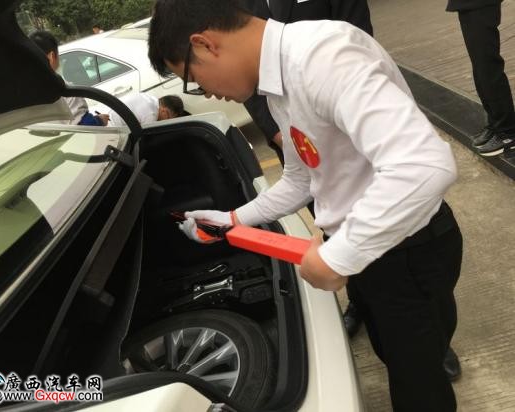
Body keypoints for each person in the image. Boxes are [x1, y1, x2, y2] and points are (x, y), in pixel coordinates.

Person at [148, 1, 464, 410]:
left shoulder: (323, 58)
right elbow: (303, 178)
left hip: (406, 251)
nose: (205, 92)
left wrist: (339, 255)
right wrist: (231, 219)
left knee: (420, 388)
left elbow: (423, 165)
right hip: (370, 252)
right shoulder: (278, 83)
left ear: (204, 44)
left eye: (192, 80)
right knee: (394, 355)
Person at [242, 0, 373, 338]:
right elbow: (247, 79)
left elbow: (358, 37)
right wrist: (279, 130)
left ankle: (424, 333)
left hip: (347, 130)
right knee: (329, 216)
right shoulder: (239, 4)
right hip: (293, 136)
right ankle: (362, 299)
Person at [242, 0, 373, 165]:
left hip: (349, 121)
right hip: (293, 142)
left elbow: (357, 36)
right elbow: (239, 62)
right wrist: (278, 135)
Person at [447, 0, 515, 157]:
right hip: (468, 4)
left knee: (488, 66)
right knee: (480, 67)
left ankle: (508, 131)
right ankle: (496, 123)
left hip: (479, 3)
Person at [29, 30, 109, 126]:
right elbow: (85, 126)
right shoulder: (66, 91)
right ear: (52, 56)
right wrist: (100, 120)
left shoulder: (21, 95)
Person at [107, 93, 187, 127]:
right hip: (114, 127)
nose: (166, 121)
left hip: (109, 117)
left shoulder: (151, 98)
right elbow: (144, 136)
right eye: (169, 118)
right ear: (164, 111)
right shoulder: (152, 114)